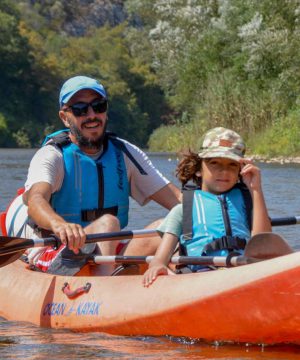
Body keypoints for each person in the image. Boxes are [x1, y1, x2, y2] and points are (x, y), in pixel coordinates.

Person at [5, 75, 181, 274]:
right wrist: (59, 225)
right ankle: (105, 290)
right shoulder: (52, 155)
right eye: (80, 109)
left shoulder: (125, 153)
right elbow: (36, 200)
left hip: (105, 250)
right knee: (108, 222)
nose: (91, 115)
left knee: (165, 227)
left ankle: (161, 281)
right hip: (55, 249)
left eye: (98, 106)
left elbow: (178, 201)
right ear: (64, 117)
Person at [143, 127, 272, 287]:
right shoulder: (183, 210)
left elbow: (264, 243)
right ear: (198, 169)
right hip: (201, 279)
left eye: (232, 164)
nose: (224, 171)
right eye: (214, 163)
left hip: (242, 274)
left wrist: (256, 189)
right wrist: (158, 267)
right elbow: (159, 259)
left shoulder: (249, 202)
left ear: (240, 170)